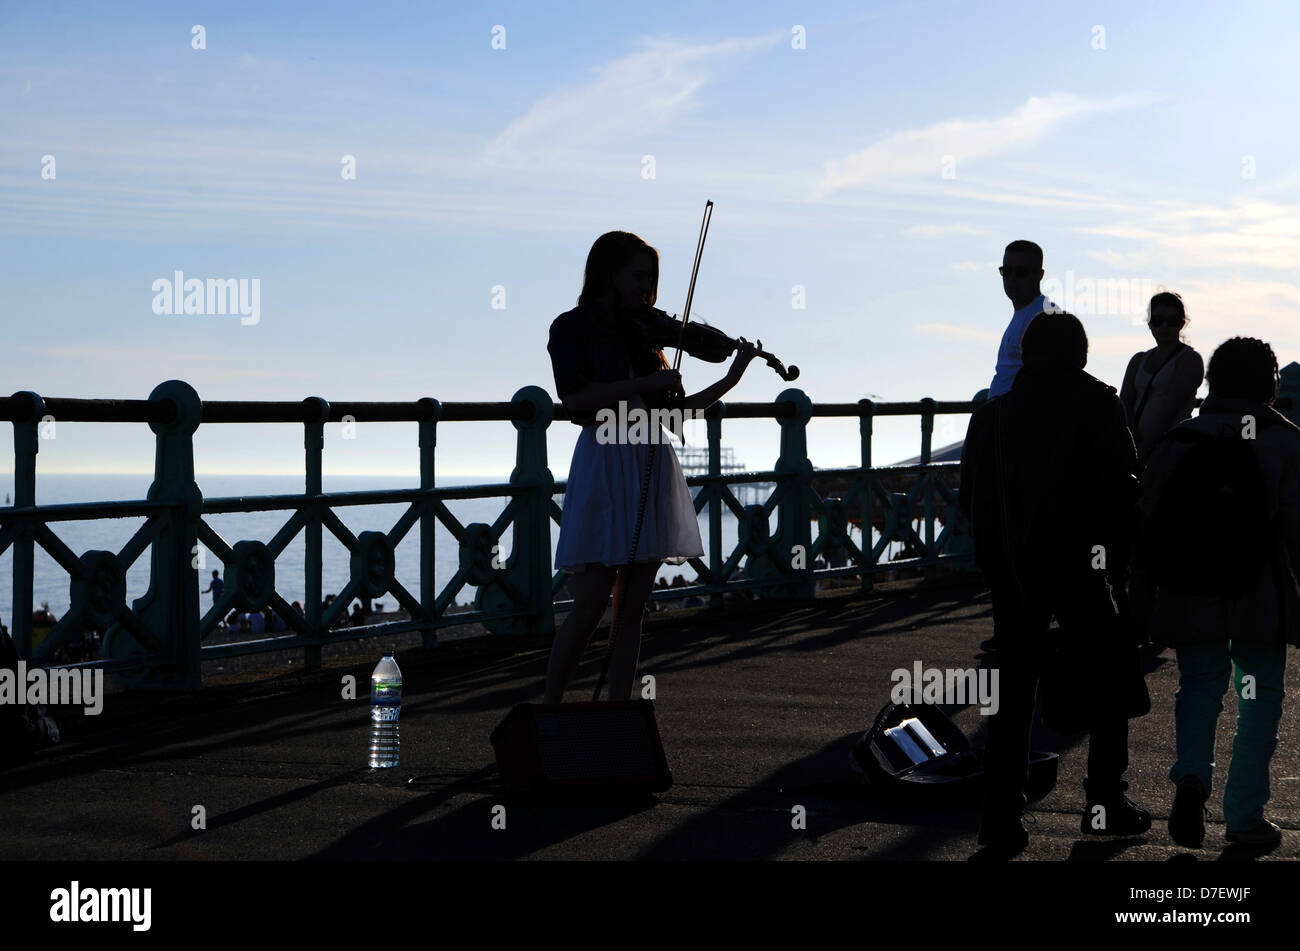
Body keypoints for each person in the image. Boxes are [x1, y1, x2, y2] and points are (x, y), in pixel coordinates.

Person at [960, 311, 1151, 854]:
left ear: (1025, 356)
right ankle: (1104, 802)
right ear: (1081, 354)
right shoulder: (1097, 402)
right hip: (1081, 567)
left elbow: (969, 500)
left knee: (1012, 694)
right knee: (1108, 682)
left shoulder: (989, 418)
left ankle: (1000, 817)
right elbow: (1124, 486)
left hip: (1013, 572)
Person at [543, 230, 759, 703]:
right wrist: (643, 380)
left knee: (633, 606)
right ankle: (550, 707)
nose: (646, 286)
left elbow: (674, 416)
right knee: (592, 599)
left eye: (651, 277)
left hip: (650, 458)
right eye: (637, 275)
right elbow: (576, 399)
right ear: (608, 273)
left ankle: (619, 708)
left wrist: (731, 376)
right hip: (605, 458)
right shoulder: (571, 327)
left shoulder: (645, 334)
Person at [1133, 337, 1298, 849]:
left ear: (1212, 382)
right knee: (1257, 701)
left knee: (1200, 689)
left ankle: (1190, 780)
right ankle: (1244, 815)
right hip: (1259, 601)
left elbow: (1145, 525)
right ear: (1269, 384)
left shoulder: (1181, 439)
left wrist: (1142, 598)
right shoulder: (1286, 441)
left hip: (1191, 594)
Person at [1119, 291, 1205, 468]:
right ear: (1150, 324)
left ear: (1182, 323)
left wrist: (1142, 448)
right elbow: (1125, 402)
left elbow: (1171, 409)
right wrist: (1133, 443)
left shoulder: (1189, 360)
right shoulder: (1138, 360)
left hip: (1170, 447)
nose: (1164, 326)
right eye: (1158, 321)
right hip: (1134, 446)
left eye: (1171, 321)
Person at [987, 240, 1056, 398]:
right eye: (1007, 271)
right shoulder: (1029, 314)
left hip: (1019, 418)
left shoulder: (1045, 318)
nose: (1012, 278)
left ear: (1040, 275)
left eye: (1021, 272)